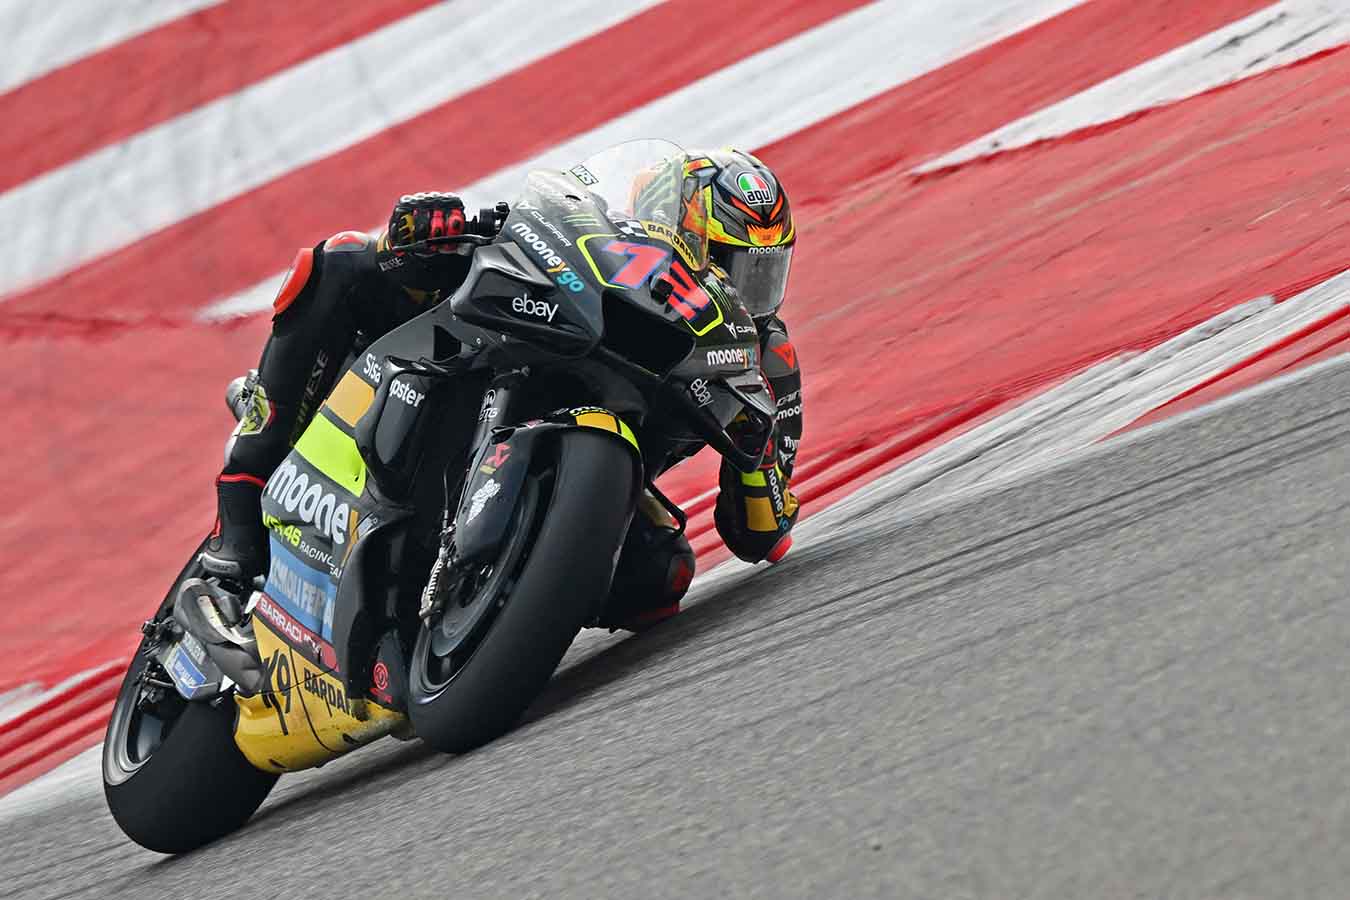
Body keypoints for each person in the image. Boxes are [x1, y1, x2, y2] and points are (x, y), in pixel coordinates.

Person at [204, 148, 803, 629]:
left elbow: (761, 536)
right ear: (680, 224)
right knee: (341, 261)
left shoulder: (762, 362)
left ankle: (494, 626)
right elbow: (514, 223)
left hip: (597, 476)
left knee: (660, 579)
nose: (748, 287)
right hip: (491, 358)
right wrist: (431, 230)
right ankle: (240, 508)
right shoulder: (603, 231)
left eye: (766, 271)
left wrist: (757, 455)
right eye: (733, 262)